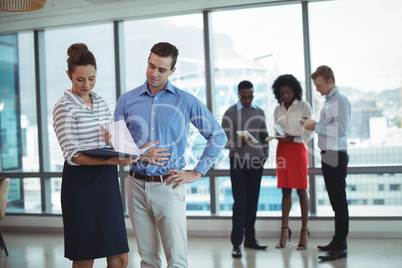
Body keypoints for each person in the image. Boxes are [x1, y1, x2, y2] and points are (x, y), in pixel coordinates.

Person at [114, 42, 228, 268]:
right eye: (151, 66)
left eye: (161, 70)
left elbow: (218, 136)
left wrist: (196, 173)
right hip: (135, 185)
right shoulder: (127, 100)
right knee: (148, 259)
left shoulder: (185, 101)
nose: (154, 73)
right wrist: (139, 154)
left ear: (172, 71)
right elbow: (118, 147)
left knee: (176, 260)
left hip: (169, 186)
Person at [53, 43, 142, 268]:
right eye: (80, 79)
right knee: (85, 258)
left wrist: (117, 144)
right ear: (69, 75)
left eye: (91, 78)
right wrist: (113, 159)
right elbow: (73, 155)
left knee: (120, 258)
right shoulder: (63, 107)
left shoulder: (101, 101)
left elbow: (107, 138)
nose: (87, 85)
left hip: (106, 182)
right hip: (81, 186)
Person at [300, 65, 351, 261]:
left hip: (336, 154)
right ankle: (337, 241)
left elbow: (342, 131)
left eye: (319, 85)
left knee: (339, 202)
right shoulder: (330, 101)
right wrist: (312, 125)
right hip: (328, 154)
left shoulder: (340, 100)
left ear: (330, 81)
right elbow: (327, 127)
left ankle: (341, 246)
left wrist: (315, 126)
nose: (317, 89)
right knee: (334, 201)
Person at [221, 80, 269, 258]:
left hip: (257, 162)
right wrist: (236, 144)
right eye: (244, 97)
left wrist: (266, 154)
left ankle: (250, 239)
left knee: (252, 202)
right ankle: (236, 244)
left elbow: (264, 136)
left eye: (250, 96)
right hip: (238, 162)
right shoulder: (230, 113)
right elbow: (221, 140)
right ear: (238, 95)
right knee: (240, 203)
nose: (248, 100)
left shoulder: (260, 112)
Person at [271, 74, 313, 250]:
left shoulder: (304, 106)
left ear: (295, 91)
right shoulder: (277, 109)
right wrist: (281, 137)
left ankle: (304, 231)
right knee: (285, 191)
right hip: (282, 149)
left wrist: (294, 139)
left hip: (297, 149)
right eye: (282, 93)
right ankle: (284, 231)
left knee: (302, 191)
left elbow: (310, 132)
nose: (285, 96)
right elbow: (277, 128)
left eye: (288, 92)